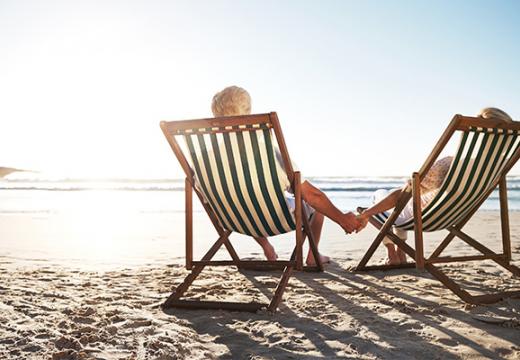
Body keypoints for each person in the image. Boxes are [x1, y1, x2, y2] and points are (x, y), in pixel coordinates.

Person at [211, 86, 361, 265]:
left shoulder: (205, 159)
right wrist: (343, 219)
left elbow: (211, 199)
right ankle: (313, 256)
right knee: (313, 206)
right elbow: (312, 196)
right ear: (248, 112)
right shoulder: (268, 154)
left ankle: (266, 246)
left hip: (234, 220)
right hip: (275, 219)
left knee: (240, 203)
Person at [356, 107, 514, 265]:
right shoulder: (498, 167)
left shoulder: (452, 163)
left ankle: (392, 254)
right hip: (453, 215)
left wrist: (365, 215)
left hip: (422, 216)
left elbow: (404, 194)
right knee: (398, 205)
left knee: (381, 195)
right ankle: (401, 253)